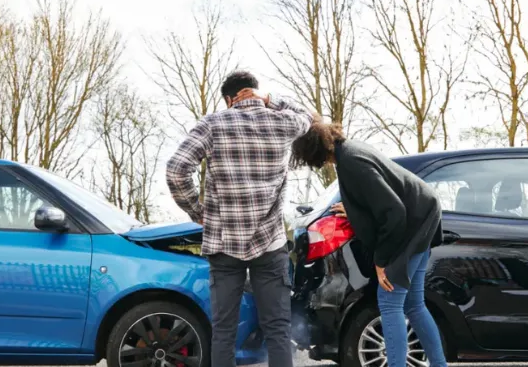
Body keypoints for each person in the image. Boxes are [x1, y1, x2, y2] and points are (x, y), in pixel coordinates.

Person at [166, 70, 313, 367]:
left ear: (228, 99)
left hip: (223, 243)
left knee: (223, 330)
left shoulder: (213, 124)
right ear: (256, 92)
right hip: (269, 243)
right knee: (277, 328)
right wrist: (272, 100)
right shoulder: (282, 121)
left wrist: (198, 212)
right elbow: (308, 115)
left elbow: (176, 170)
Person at [290, 118, 447, 367]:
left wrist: (381, 261)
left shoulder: (351, 162)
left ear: (313, 152)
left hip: (412, 225)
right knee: (414, 305)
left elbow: (393, 212)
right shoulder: (351, 150)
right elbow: (379, 200)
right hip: (423, 215)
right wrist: (354, 210)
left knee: (390, 303)